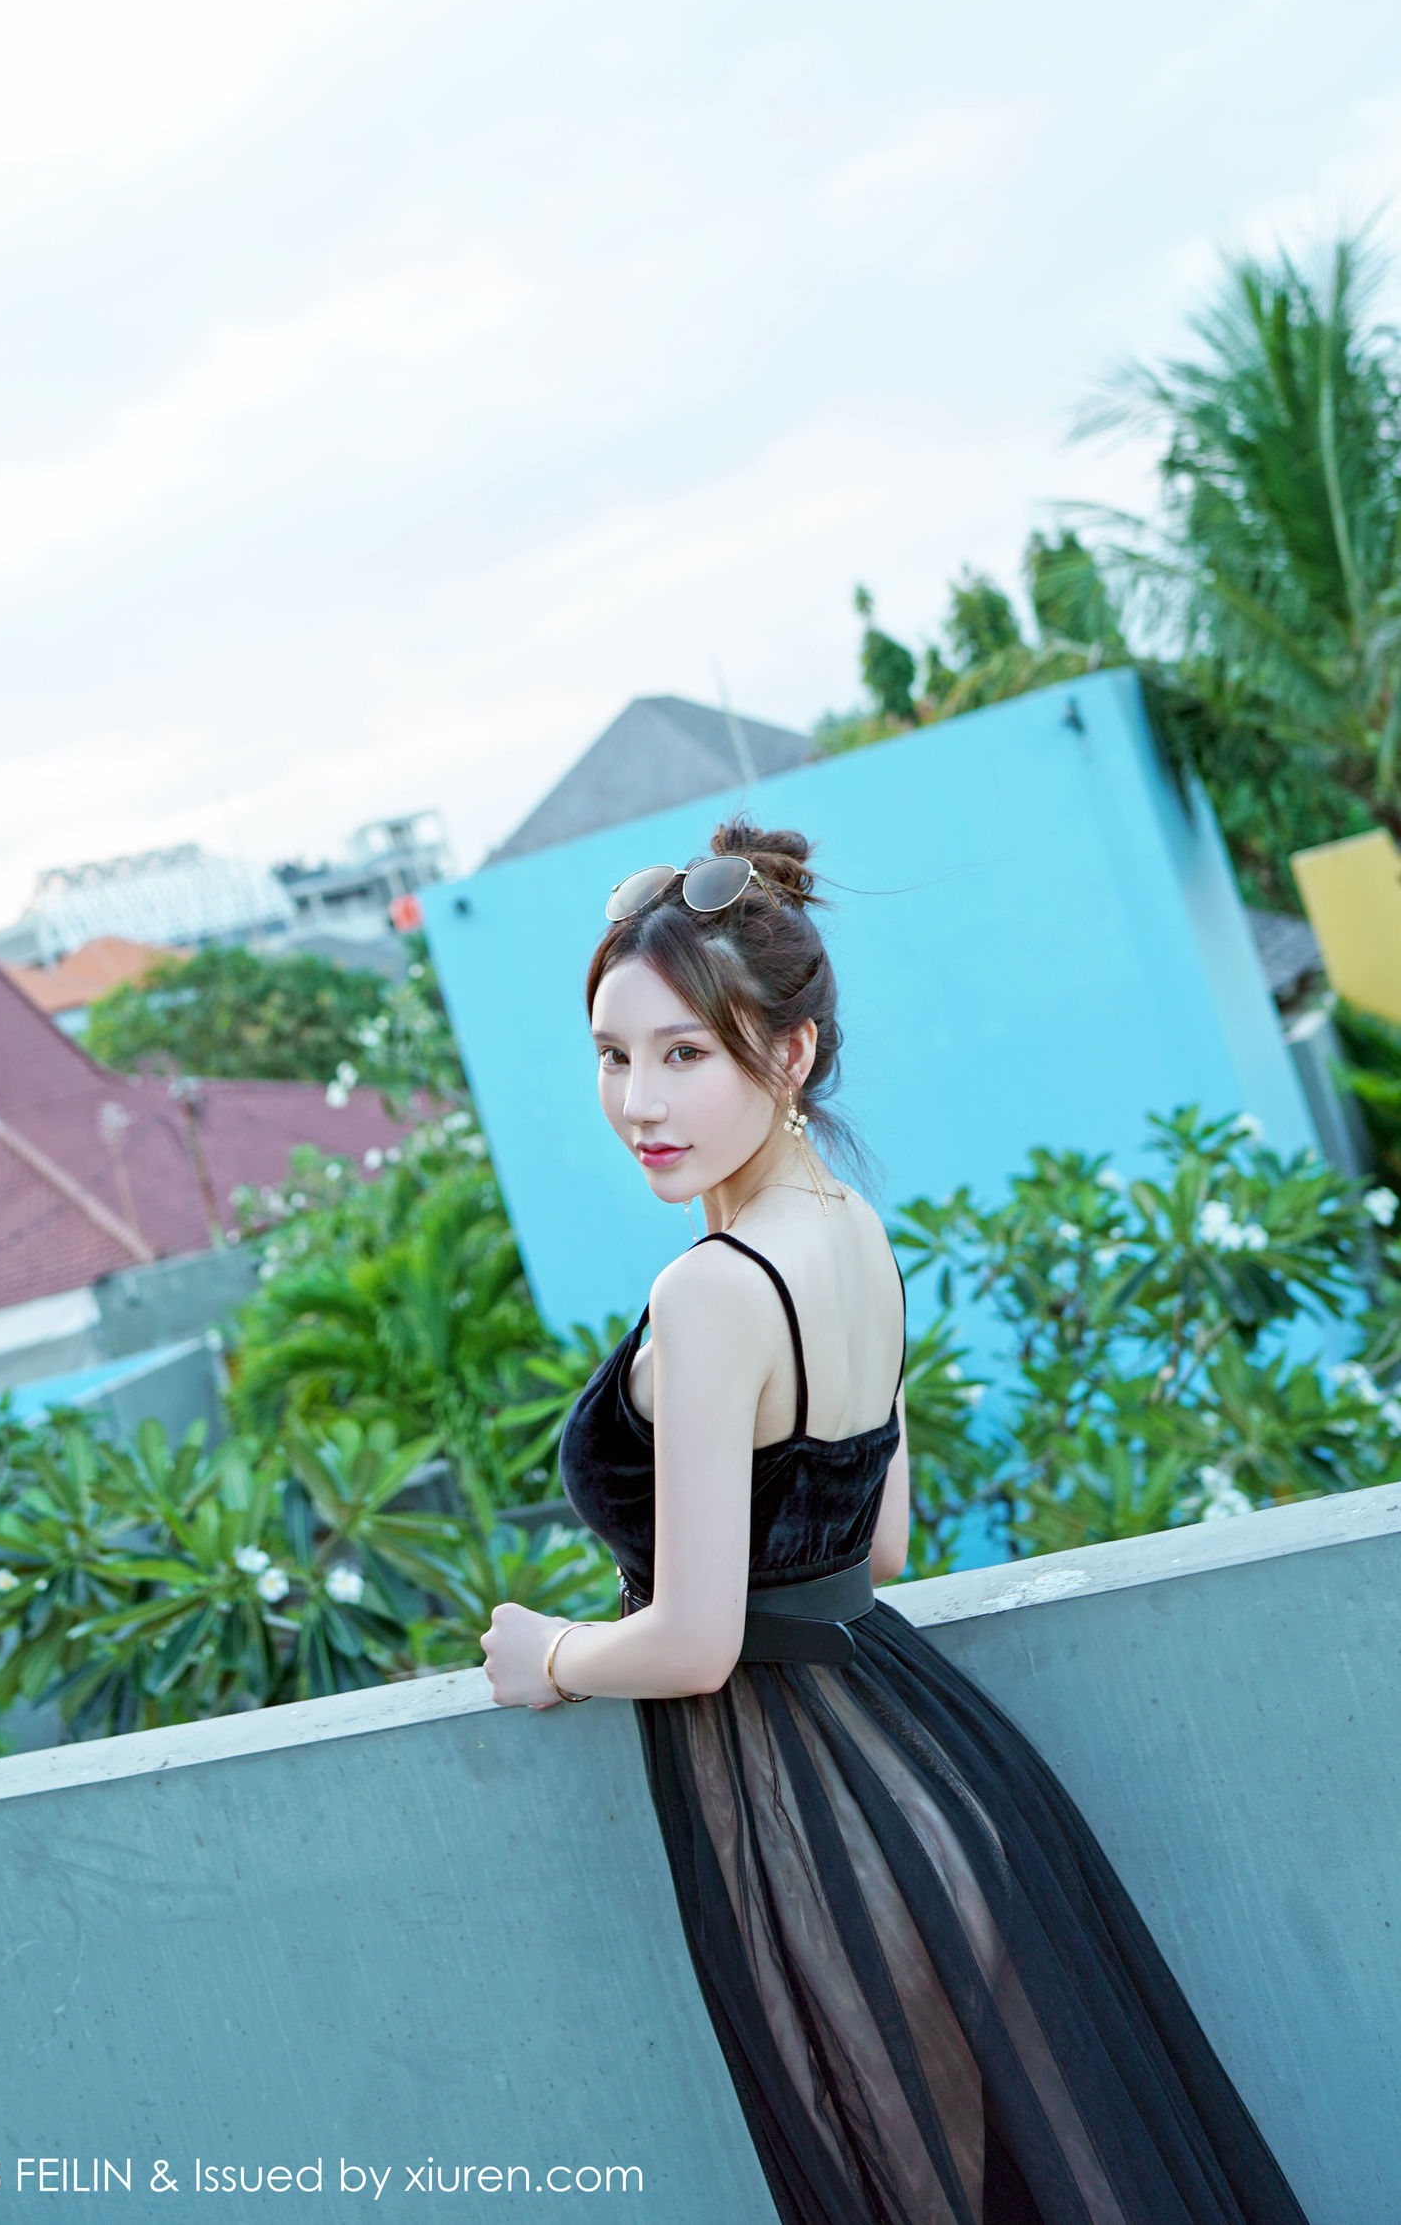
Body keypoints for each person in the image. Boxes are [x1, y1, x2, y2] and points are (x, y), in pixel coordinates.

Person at [478, 820, 1310, 2225]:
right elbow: (878, 1547)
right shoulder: (852, 1231)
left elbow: (695, 1641)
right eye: (613, 1057)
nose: (638, 1101)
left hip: (815, 1821)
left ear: (788, 1055)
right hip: (931, 1769)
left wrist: (547, 1655)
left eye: (685, 1054)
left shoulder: (714, 1288)